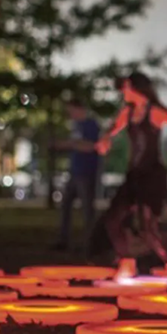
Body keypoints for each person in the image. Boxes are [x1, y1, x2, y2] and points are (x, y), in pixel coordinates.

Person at [94, 72, 167, 284]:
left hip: (152, 176)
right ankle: (127, 260)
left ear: (137, 88)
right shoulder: (128, 113)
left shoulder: (154, 113)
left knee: (149, 226)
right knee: (113, 219)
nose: (123, 92)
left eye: (127, 87)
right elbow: (112, 129)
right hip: (134, 176)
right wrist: (105, 140)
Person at [52, 98, 100, 254]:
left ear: (79, 109)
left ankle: (91, 243)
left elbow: (92, 147)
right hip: (74, 172)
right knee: (65, 205)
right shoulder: (76, 126)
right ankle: (63, 240)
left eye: (71, 110)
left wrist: (72, 144)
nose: (70, 114)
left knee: (87, 209)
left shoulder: (91, 125)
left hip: (86, 172)